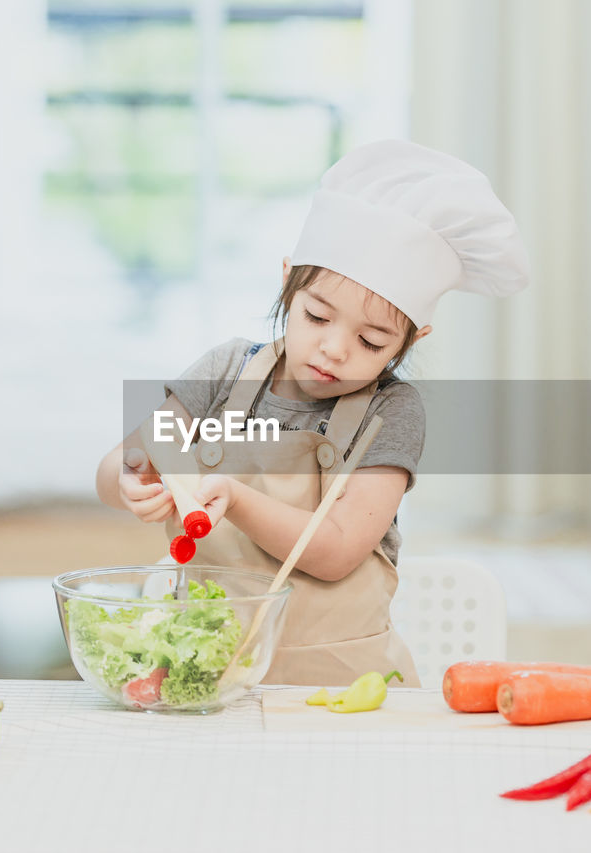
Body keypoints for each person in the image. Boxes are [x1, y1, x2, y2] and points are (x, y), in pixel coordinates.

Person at [96, 140, 530, 686]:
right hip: (212, 678)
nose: (334, 350)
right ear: (287, 281)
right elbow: (128, 459)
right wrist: (134, 475)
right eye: (317, 316)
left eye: (371, 341)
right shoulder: (225, 371)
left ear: (411, 338)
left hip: (343, 688)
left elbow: (337, 551)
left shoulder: (391, 411)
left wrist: (235, 496)